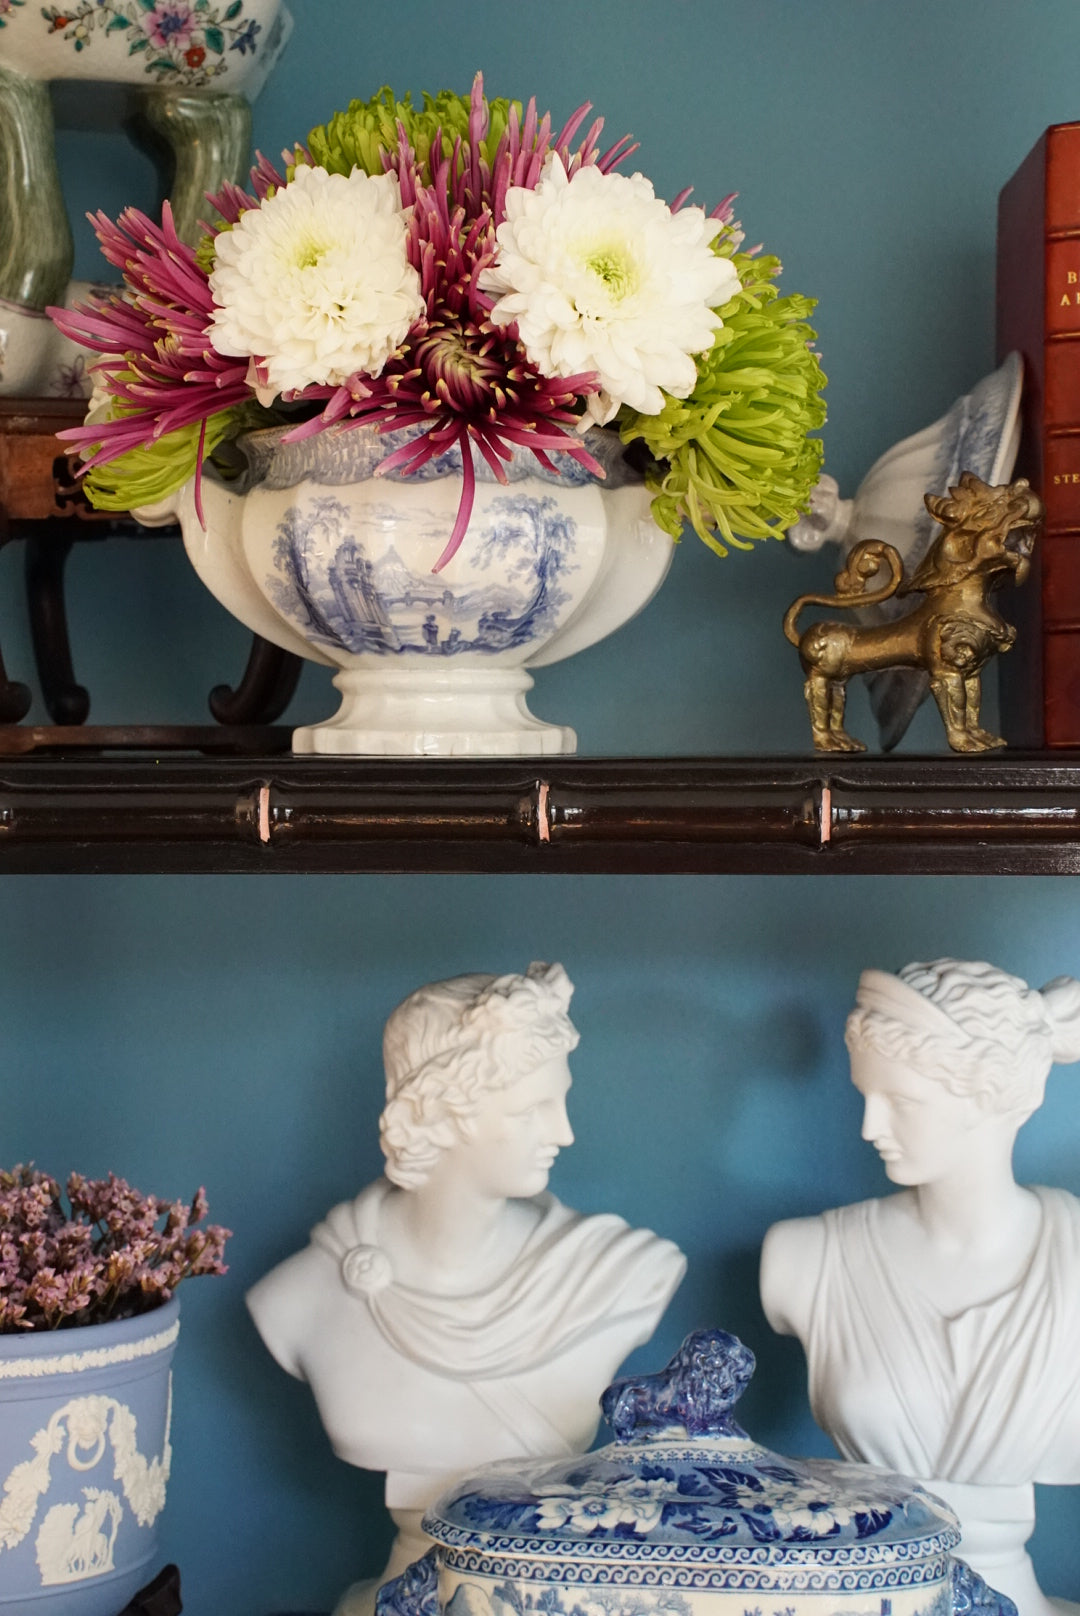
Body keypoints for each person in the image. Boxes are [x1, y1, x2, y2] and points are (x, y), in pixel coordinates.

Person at [247, 962, 685, 1616]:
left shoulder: (617, 1273)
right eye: (532, 1109)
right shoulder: (301, 1296)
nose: (564, 1132)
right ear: (442, 1113)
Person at [760, 958, 1080, 1616]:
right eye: (865, 1097)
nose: (869, 1127)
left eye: (901, 1102)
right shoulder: (806, 1256)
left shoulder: (1071, 1256)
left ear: (989, 1094)